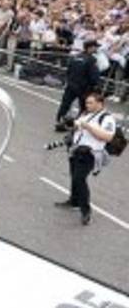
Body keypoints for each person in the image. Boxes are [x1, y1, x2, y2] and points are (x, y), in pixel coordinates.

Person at [54, 90, 117, 226]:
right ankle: (74, 201)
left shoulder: (107, 118)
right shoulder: (86, 114)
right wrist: (71, 124)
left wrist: (88, 127)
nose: (87, 104)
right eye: (87, 102)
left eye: (90, 103)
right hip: (76, 150)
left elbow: (107, 137)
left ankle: (86, 211)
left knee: (79, 179)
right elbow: (77, 127)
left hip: (90, 154)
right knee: (74, 176)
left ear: (100, 103)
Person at [55, 39, 102, 131]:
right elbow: (94, 76)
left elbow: (68, 71)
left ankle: (60, 121)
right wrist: (97, 87)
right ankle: (78, 125)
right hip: (84, 88)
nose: (96, 48)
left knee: (65, 104)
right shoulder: (92, 60)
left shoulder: (75, 57)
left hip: (71, 85)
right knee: (85, 107)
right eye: (95, 47)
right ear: (90, 47)